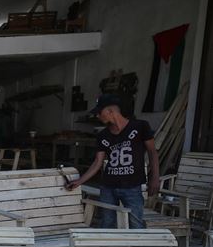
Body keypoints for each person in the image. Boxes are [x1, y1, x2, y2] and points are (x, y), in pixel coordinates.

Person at [66, 94, 160, 229]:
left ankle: (135, 244)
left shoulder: (140, 127)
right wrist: (80, 181)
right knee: (107, 223)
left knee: (135, 223)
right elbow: (98, 162)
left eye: (99, 112)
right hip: (108, 186)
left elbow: (152, 152)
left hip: (132, 186)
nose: (97, 116)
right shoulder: (102, 135)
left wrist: (155, 177)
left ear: (110, 111)